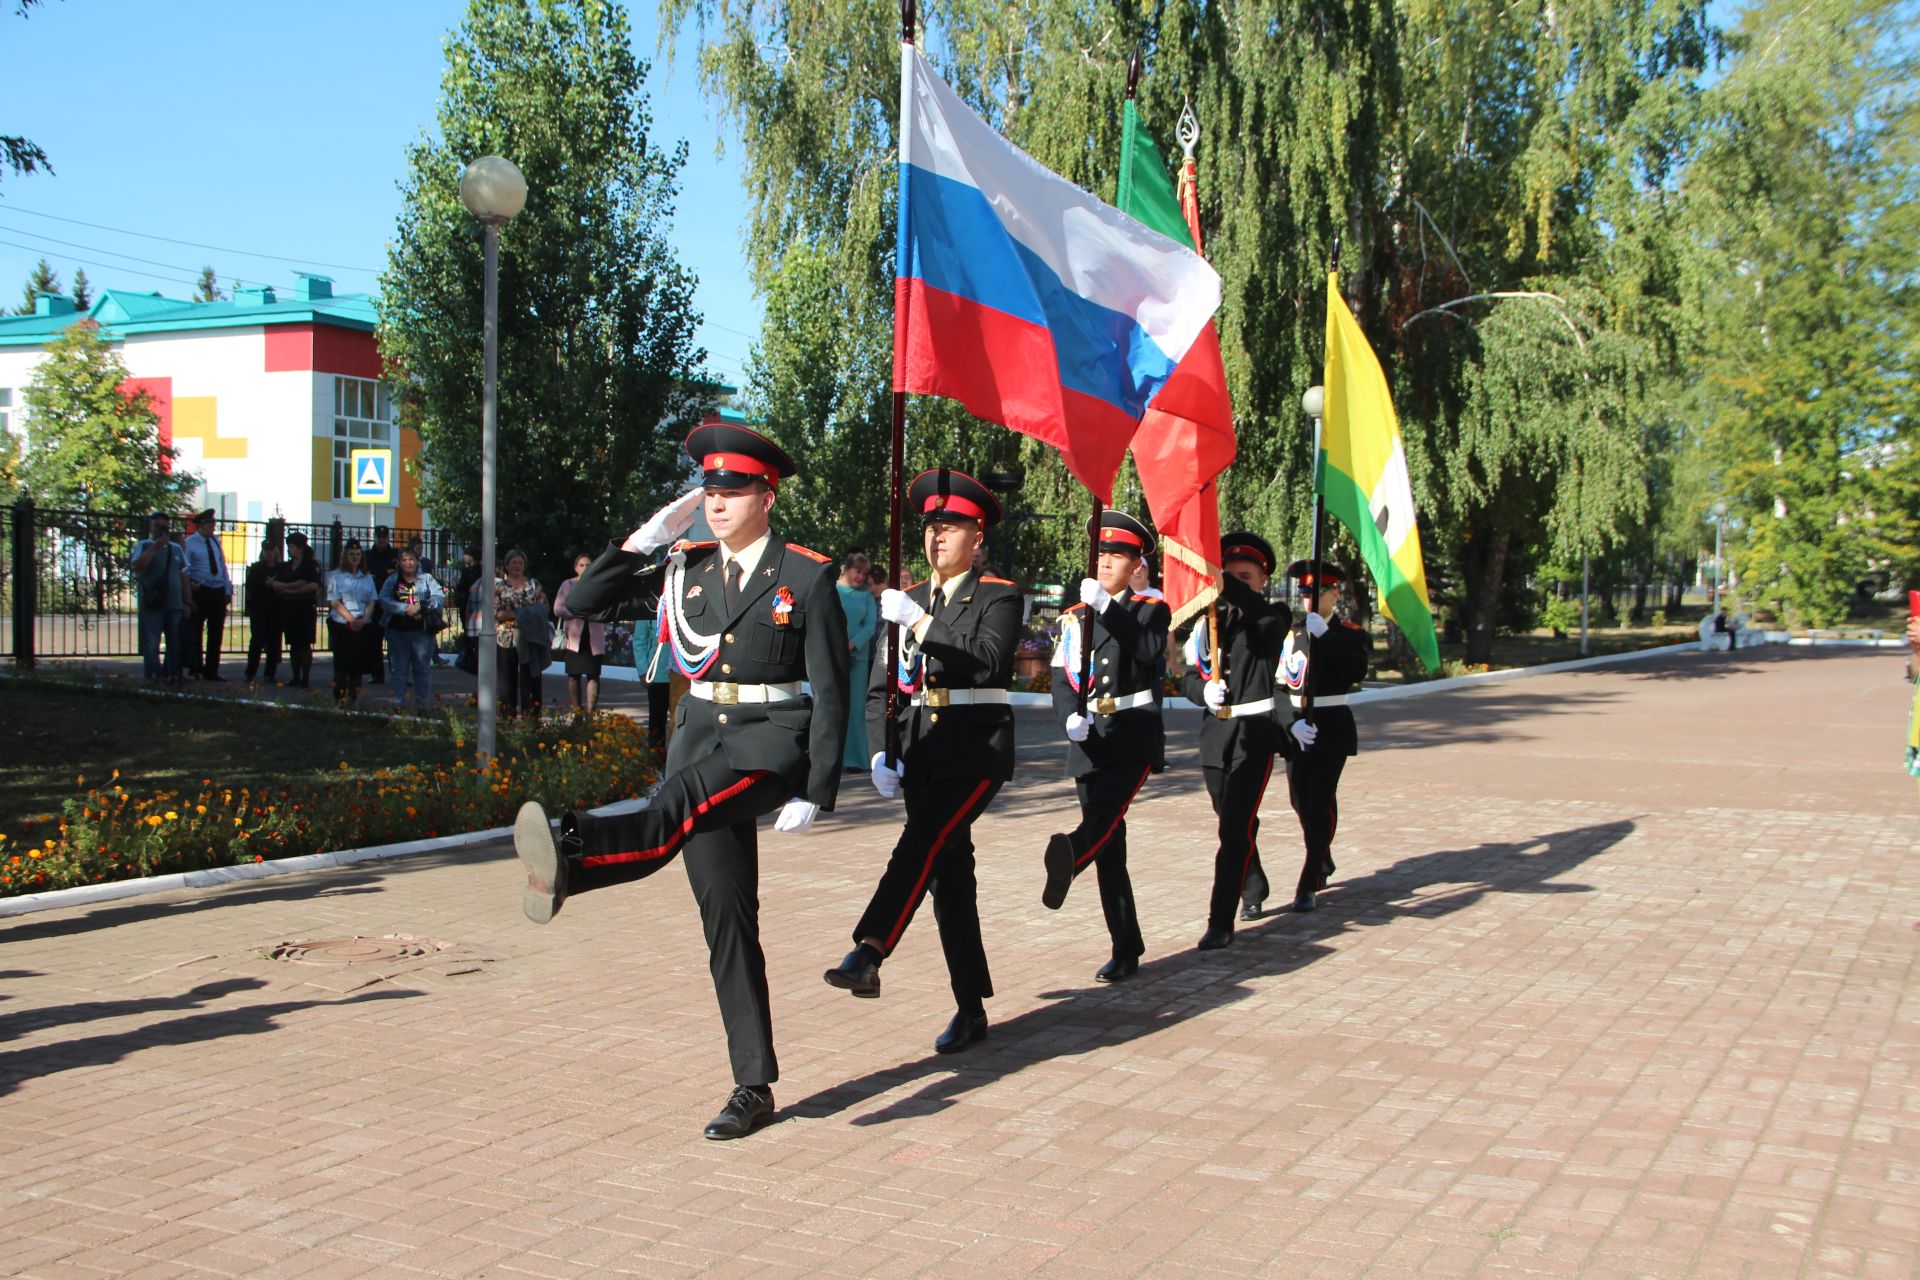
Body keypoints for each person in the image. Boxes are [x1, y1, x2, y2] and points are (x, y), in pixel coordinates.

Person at [514, 424, 849, 1141]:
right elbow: (584, 604)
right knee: (726, 919)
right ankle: (752, 1085)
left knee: (678, 804)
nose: (716, 502)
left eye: (732, 489)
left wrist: (817, 786)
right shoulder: (686, 569)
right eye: (709, 490)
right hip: (699, 738)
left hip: (767, 746)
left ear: (767, 494)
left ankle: (574, 851)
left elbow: (833, 685)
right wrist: (640, 542)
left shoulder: (804, 575)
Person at [824, 469, 1021, 1056]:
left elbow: (986, 662)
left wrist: (921, 624)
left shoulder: (998, 595)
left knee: (920, 842)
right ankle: (970, 1006)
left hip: (975, 749)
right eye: (932, 526)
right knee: (947, 876)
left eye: (952, 525)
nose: (937, 536)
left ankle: (870, 948)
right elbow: (887, 682)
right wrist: (882, 744)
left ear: (977, 536)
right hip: (920, 750)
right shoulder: (904, 601)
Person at [1038, 511, 1169, 982]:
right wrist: (1066, 716)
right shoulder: (1074, 617)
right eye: (1102, 554)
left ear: (1136, 564)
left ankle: (1070, 851)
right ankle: (1125, 945)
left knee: (1103, 817)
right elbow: (1059, 677)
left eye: (1117, 555)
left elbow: (1149, 651)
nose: (1106, 561)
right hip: (1089, 736)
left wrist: (1109, 608)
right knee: (1110, 849)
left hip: (1133, 731)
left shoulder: (1150, 608)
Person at [1179, 533, 1292, 949]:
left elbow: (1262, 618)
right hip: (1215, 735)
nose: (1234, 582)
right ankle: (1255, 880)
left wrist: (1224, 582)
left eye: (1245, 576)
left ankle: (1219, 921)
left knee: (1233, 829)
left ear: (1262, 579)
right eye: (1229, 574)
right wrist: (1200, 693)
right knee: (1231, 819)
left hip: (1254, 735)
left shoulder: (1273, 616)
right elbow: (1191, 677)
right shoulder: (1210, 620)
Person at [1276, 561, 1371, 912]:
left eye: (1316, 594)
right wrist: (1289, 722)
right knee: (1300, 801)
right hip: (1298, 724)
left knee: (1318, 801)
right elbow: (1279, 684)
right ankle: (1323, 855)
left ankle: (1310, 879)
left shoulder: (1348, 632)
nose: (1309, 601)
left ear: (1334, 593)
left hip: (1331, 724)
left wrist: (1326, 637)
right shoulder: (1292, 634)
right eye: (1304, 595)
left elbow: (1354, 670)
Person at [130, 513, 192, 686]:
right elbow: (137, 566)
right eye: (157, 526)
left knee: (174, 644)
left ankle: (170, 676)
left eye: (164, 526)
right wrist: (155, 547)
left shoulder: (176, 548)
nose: (160, 529)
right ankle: (153, 676)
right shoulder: (144, 545)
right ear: (151, 527)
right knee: (151, 644)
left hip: (174, 604)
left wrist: (188, 602)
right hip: (153, 603)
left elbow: (184, 577)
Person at [380, 547, 444, 713]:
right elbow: (384, 599)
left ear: (417, 561)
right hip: (397, 631)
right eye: (404, 560)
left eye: (411, 559)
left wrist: (421, 607)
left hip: (422, 632)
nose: (408, 563)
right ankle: (397, 705)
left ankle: (422, 705)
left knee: (422, 669)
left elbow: (439, 597)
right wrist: (405, 608)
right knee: (398, 670)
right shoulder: (393, 580)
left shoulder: (427, 579)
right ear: (399, 563)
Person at [835, 551, 878, 769]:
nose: (860, 577)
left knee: (857, 708)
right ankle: (836, 758)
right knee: (834, 706)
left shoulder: (866, 596)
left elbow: (871, 625)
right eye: (857, 571)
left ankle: (859, 758)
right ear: (847, 569)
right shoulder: (831, 591)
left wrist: (852, 643)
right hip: (832, 656)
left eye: (864, 573)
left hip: (856, 659)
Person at [552, 552, 609, 715]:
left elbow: (607, 608)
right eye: (582, 565)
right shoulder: (567, 585)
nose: (585, 568)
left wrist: (594, 612)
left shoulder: (600, 585)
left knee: (593, 674)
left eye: (588, 565)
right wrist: (576, 612)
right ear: (575, 568)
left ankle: (591, 711)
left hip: (594, 638)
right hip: (574, 638)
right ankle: (577, 708)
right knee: (573, 675)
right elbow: (558, 609)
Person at [325, 539, 380, 705]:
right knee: (341, 668)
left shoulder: (367, 577)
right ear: (345, 555)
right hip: (342, 625)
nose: (355, 557)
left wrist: (363, 620)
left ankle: (352, 701)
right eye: (351, 554)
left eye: (358, 554)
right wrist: (351, 619)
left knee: (357, 668)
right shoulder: (335, 576)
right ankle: (339, 700)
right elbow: (335, 601)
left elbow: (372, 601)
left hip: (362, 626)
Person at [494, 549, 547, 718]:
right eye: (513, 562)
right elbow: (496, 613)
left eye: (520, 562)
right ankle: (507, 717)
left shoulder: (533, 584)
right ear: (507, 565)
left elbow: (543, 608)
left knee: (531, 677)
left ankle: (531, 718)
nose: (517, 565)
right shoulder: (499, 586)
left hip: (530, 636)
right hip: (506, 638)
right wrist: (525, 613)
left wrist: (515, 614)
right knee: (506, 680)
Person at [182, 509, 233, 681]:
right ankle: (196, 667)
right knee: (195, 631)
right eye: (211, 524)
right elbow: (185, 568)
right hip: (200, 591)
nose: (213, 526)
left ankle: (212, 670)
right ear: (202, 524)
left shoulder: (215, 541)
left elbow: (222, 566)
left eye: (214, 523)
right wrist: (189, 584)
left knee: (216, 631)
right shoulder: (190, 542)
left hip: (217, 591)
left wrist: (228, 588)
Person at [272, 531, 322, 688]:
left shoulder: (311, 565)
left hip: (305, 607)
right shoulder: (285, 566)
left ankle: (305, 678)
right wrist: (297, 584)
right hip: (289, 608)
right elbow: (275, 583)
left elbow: (312, 585)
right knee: (293, 644)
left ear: (300, 548)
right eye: (288, 546)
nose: (289, 549)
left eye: (292, 546)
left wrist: (290, 589)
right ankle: (295, 677)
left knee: (305, 644)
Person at [243, 539, 284, 684]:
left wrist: (275, 584)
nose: (269, 553)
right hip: (260, 609)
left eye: (271, 550)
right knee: (257, 641)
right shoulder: (256, 568)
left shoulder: (281, 568)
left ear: (276, 552)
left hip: (276, 609)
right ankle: (250, 672)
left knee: (274, 643)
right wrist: (266, 583)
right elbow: (249, 584)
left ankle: (270, 673)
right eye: (266, 551)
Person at [365, 526, 396, 683]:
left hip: (392, 602)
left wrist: (382, 574)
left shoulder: (396, 554)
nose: (382, 539)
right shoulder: (368, 556)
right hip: (375, 602)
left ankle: (398, 674)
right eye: (379, 537)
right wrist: (385, 573)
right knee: (374, 641)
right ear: (376, 538)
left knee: (395, 641)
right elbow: (367, 576)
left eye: (384, 537)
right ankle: (377, 675)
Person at [452, 546, 482, 672]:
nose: (464, 557)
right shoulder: (470, 570)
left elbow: (463, 586)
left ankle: (472, 657)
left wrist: (457, 586)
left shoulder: (473, 571)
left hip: (471, 604)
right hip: (469, 604)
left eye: (466, 554)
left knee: (471, 632)